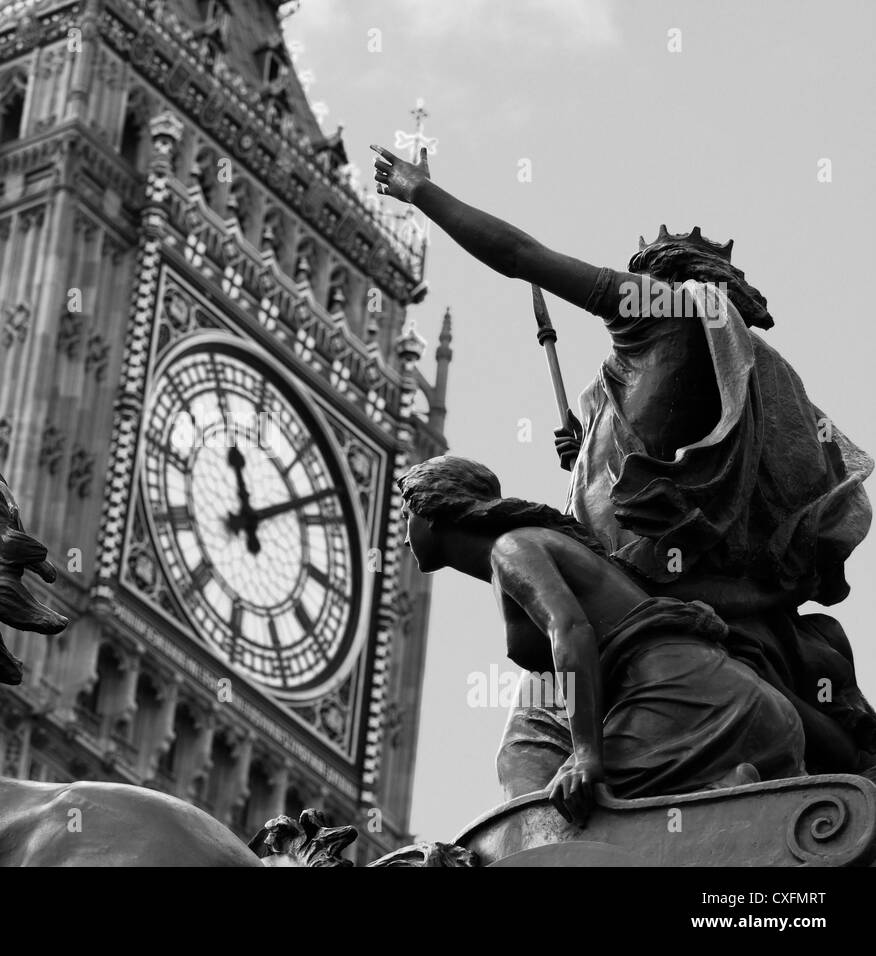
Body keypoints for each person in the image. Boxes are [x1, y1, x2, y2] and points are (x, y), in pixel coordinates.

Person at [373, 143, 876, 785]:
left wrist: (423, 194)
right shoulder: (740, 368)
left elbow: (522, 258)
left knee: (528, 751)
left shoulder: (660, 316)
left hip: (643, 602)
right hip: (713, 596)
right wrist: (587, 456)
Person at [398, 455, 805, 824]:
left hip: (694, 707)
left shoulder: (513, 548)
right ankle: (720, 790)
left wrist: (588, 755)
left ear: (431, 511)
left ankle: (722, 789)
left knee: (548, 821)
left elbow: (571, 632)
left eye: (404, 517)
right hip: (747, 710)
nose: (402, 537)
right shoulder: (531, 545)